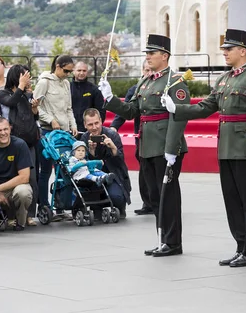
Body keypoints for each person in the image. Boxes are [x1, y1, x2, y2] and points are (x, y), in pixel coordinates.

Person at [162, 29, 246, 267]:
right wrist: (177, 108)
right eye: (224, 48)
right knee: (232, 201)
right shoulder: (225, 79)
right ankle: (240, 246)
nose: (224, 52)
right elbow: (205, 107)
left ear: (242, 51)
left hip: (245, 149)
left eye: (228, 49)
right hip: (225, 148)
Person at [99, 34, 190, 257]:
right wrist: (110, 99)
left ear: (165, 56)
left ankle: (173, 241)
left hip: (165, 146)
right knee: (155, 196)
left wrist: (171, 149)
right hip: (147, 144)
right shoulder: (146, 82)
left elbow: (180, 118)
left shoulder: (175, 83)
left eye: (152, 53)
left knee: (168, 195)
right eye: (147, 53)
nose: (147, 56)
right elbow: (132, 111)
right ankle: (163, 239)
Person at [0, 64, 41, 226]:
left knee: (32, 178)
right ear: (17, 76)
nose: (28, 79)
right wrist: (21, 87)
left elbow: (33, 119)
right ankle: (10, 216)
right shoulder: (4, 93)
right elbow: (10, 102)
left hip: (28, 141)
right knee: (11, 177)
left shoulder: (26, 94)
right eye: (25, 76)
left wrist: (35, 109)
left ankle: (29, 214)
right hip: (12, 141)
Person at [33, 55, 77, 212]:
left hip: (64, 132)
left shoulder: (66, 83)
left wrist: (73, 125)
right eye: (66, 71)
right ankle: (43, 205)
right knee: (45, 170)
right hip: (47, 131)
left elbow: (69, 108)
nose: (68, 74)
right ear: (58, 66)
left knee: (64, 169)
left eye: (70, 72)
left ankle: (61, 204)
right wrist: (51, 119)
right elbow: (35, 105)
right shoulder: (44, 82)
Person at [111, 59, 153, 215]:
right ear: (142, 71)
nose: (149, 73)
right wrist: (115, 126)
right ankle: (148, 203)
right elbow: (125, 110)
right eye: (147, 70)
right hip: (142, 137)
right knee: (145, 171)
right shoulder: (135, 90)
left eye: (151, 70)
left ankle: (161, 202)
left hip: (158, 137)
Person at [80, 108, 131, 218]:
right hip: (94, 178)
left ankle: (119, 206)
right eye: (90, 124)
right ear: (85, 125)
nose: (94, 127)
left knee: (117, 197)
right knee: (92, 202)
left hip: (113, 175)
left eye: (96, 123)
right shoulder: (84, 138)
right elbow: (82, 165)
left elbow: (120, 163)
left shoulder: (112, 135)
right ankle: (98, 206)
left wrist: (113, 148)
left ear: (101, 121)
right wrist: (92, 152)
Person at [0, 116, 33, 231]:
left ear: (10, 129)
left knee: (24, 192)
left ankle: (19, 221)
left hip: (14, 188)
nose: (3, 133)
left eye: (6, 129)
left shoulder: (20, 145)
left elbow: (24, 177)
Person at [70, 61, 106, 132]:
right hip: (70, 129)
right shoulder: (67, 88)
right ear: (73, 71)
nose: (81, 73)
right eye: (79, 70)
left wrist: (93, 127)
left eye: (84, 71)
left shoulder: (94, 90)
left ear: (87, 72)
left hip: (87, 131)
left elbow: (101, 111)